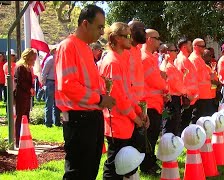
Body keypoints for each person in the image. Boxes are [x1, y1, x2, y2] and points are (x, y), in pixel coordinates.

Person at [55, 5, 116, 180]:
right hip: (78, 119)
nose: (102, 32)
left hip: (91, 116)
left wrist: (102, 93)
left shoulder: (86, 48)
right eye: (99, 27)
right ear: (84, 24)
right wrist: (99, 98)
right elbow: (67, 85)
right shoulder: (68, 46)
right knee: (78, 172)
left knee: (89, 170)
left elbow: (84, 83)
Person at [100, 22, 147, 180]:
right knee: (114, 166)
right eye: (126, 36)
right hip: (117, 123)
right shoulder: (112, 63)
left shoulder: (121, 60)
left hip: (126, 121)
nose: (130, 38)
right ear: (116, 39)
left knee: (124, 164)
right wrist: (136, 118)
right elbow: (118, 99)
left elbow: (129, 92)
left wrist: (139, 112)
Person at [140, 29, 167, 175]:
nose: (159, 42)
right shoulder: (145, 58)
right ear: (149, 39)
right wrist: (165, 85)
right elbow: (155, 80)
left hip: (155, 103)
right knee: (149, 137)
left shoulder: (150, 57)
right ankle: (147, 166)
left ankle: (151, 163)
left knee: (152, 136)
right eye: (157, 39)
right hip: (149, 104)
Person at [174, 37, 199, 136]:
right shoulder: (182, 60)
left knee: (185, 120)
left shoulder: (185, 59)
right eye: (189, 45)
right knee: (183, 121)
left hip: (190, 97)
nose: (191, 47)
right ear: (184, 47)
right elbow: (181, 80)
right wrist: (187, 95)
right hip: (186, 98)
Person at [14, 48, 37, 148]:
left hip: (26, 95)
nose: (34, 61)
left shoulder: (27, 68)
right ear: (28, 58)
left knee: (26, 117)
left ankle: (25, 138)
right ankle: (18, 140)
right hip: (20, 95)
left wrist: (31, 88)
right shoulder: (20, 67)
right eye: (33, 59)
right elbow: (20, 81)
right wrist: (29, 89)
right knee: (20, 117)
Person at [162, 43, 186, 135]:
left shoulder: (172, 65)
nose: (177, 52)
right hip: (171, 100)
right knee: (169, 125)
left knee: (175, 125)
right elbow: (174, 83)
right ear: (168, 52)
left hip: (175, 99)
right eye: (174, 50)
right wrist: (185, 92)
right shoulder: (168, 66)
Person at [41, 45, 61, 127]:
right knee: (53, 104)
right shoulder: (52, 59)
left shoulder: (51, 59)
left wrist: (43, 83)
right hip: (52, 82)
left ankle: (51, 122)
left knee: (51, 103)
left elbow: (44, 72)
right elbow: (44, 73)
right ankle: (53, 122)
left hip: (53, 82)